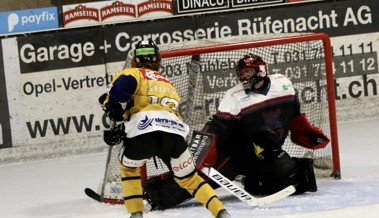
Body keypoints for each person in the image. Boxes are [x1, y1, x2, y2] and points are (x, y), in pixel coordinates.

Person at [143, 53, 330, 209]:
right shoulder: (234, 95)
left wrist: (306, 133)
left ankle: (253, 180)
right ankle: (152, 193)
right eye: (242, 73)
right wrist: (197, 159)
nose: (244, 77)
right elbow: (215, 129)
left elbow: (294, 114)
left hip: (267, 154)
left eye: (248, 71)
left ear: (261, 70)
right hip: (235, 153)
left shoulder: (283, 84)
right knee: (198, 181)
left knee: (299, 179)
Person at [99, 39, 230, 218]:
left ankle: (136, 214)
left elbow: (118, 94)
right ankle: (221, 212)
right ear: (158, 61)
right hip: (174, 137)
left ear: (135, 61)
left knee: (129, 169)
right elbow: (159, 114)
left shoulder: (133, 73)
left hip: (142, 136)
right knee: (189, 179)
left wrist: (112, 110)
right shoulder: (167, 83)